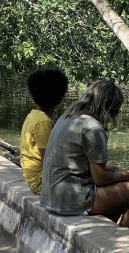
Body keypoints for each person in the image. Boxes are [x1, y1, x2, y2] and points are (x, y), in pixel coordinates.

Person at [41, 80, 129, 227]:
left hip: (52, 197)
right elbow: (100, 179)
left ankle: (109, 228)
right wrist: (126, 174)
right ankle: (122, 234)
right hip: (72, 200)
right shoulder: (93, 128)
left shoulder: (68, 116)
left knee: (112, 168)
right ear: (110, 107)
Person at [19, 68, 68, 194]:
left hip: (35, 179)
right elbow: (49, 160)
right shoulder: (43, 122)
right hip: (42, 182)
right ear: (59, 96)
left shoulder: (33, 115)